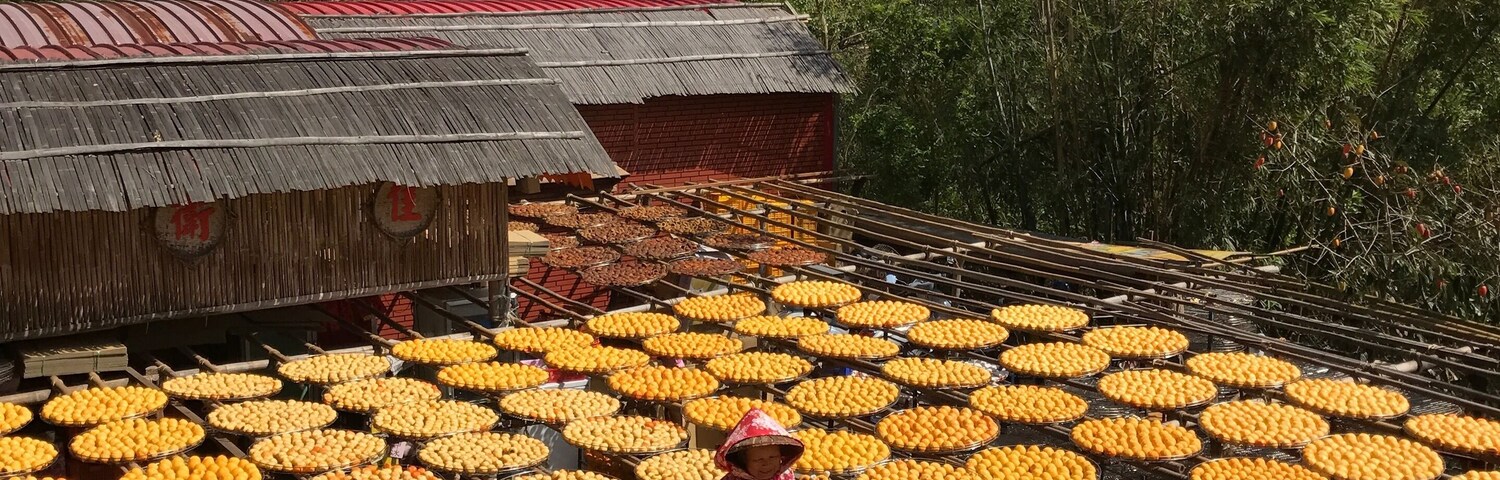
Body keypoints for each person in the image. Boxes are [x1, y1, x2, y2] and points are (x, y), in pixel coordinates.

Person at [714, 408, 804, 480]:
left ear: (780, 456)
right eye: (758, 460)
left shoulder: (786, 476)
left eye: (772, 457)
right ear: (744, 461)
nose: (766, 464)